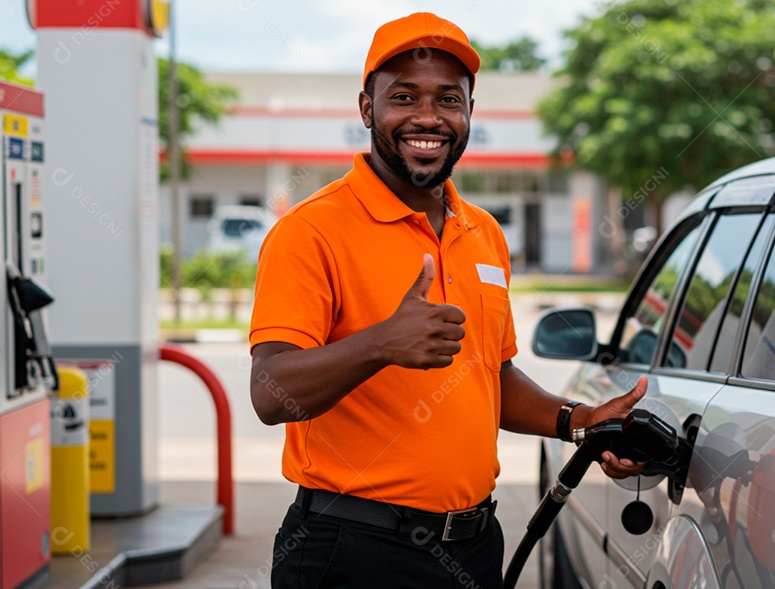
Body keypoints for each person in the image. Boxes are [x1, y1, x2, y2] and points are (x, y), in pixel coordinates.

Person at [249, 12, 647, 588]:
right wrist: (383, 343)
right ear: (367, 109)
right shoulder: (312, 231)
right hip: (355, 551)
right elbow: (270, 392)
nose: (427, 118)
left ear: (468, 113)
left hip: (474, 545)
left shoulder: (482, 231)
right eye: (404, 97)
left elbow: (490, 377)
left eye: (448, 99)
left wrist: (580, 422)